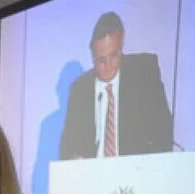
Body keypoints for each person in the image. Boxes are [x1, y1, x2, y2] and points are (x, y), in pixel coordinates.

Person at [59, 11, 172, 159]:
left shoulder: (143, 74)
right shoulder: (80, 89)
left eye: (114, 56)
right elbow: (67, 149)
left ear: (121, 45)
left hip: (135, 169)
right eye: (101, 60)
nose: (108, 66)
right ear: (93, 56)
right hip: (93, 171)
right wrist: (74, 158)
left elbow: (163, 132)